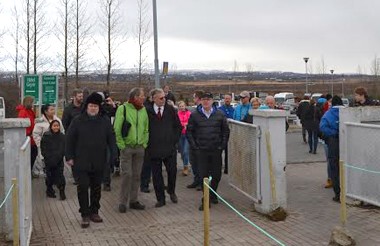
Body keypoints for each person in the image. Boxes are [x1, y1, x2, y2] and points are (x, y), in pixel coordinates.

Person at [65, 92, 116, 228]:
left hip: (99, 160)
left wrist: (114, 155)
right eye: (91, 106)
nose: (93, 108)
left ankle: (94, 211)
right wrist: (69, 157)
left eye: (96, 106)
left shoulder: (104, 121)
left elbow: (111, 139)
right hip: (81, 160)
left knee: (96, 188)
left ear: (99, 108)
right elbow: (69, 139)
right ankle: (85, 214)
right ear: (86, 107)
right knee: (82, 187)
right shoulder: (77, 120)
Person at [187, 92, 230, 211]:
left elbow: (225, 132)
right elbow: (189, 132)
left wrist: (222, 145)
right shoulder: (195, 115)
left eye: (208, 99)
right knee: (203, 175)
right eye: (203, 99)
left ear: (212, 101)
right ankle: (206, 199)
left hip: (215, 149)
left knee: (216, 175)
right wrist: (195, 146)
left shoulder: (220, 114)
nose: (206, 101)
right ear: (200, 101)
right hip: (201, 151)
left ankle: (213, 194)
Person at [114, 88, 149, 213]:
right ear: (135, 97)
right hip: (127, 147)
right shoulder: (122, 109)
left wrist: (144, 143)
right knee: (127, 174)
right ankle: (122, 202)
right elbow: (117, 128)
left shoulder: (143, 110)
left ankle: (133, 200)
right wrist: (121, 145)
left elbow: (146, 128)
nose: (144, 98)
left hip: (140, 147)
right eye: (142, 96)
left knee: (136, 175)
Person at [145, 88, 182, 208]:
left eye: (164, 97)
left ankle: (171, 191)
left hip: (169, 148)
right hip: (153, 149)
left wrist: (174, 141)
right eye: (161, 98)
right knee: (157, 175)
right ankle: (160, 198)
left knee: (172, 171)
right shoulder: (147, 111)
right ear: (153, 98)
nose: (163, 100)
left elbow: (178, 126)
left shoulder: (170, 110)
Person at [319, 96, 344, 203]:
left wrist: (333, 133)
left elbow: (322, 127)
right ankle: (349, 191)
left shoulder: (328, 114)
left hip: (333, 142)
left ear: (332, 104)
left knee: (334, 167)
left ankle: (338, 194)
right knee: (346, 166)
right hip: (346, 141)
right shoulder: (346, 112)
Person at [33, 104, 64, 177]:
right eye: (51, 110)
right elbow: (36, 135)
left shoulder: (57, 120)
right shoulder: (40, 122)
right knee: (47, 166)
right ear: (46, 111)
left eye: (54, 109)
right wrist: (40, 144)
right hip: (46, 149)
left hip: (57, 148)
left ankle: (57, 181)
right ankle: (49, 182)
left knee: (58, 166)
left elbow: (62, 131)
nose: (53, 111)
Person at [62, 89, 84, 184]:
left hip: (84, 137)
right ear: (74, 97)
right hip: (73, 138)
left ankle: (84, 176)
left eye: (82, 96)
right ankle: (77, 178)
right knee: (74, 159)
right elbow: (64, 124)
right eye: (79, 96)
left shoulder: (85, 108)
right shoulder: (68, 109)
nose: (81, 98)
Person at [40, 120, 66, 200]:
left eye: (57, 126)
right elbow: (43, 148)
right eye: (54, 126)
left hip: (59, 160)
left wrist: (61, 156)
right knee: (50, 177)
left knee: (60, 176)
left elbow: (64, 147)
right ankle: (49, 191)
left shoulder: (62, 136)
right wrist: (47, 156)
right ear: (51, 127)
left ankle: (62, 192)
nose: (56, 127)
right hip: (49, 160)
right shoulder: (46, 136)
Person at [187, 90, 204, 190]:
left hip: (201, 141)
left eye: (194, 97)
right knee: (193, 161)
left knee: (201, 163)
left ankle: (202, 183)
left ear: (198, 98)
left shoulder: (204, 111)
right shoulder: (195, 111)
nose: (193, 99)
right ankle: (196, 180)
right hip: (193, 140)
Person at [16, 96, 38, 174]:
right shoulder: (23, 112)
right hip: (27, 137)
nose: (34, 104)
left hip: (31, 137)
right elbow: (21, 124)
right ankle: (26, 172)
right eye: (33, 102)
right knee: (31, 154)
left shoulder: (30, 111)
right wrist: (28, 133)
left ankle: (28, 171)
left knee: (33, 153)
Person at [218, 93, 234, 174]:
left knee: (228, 152)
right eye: (226, 98)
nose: (227, 100)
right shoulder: (220, 109)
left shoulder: (233, 109)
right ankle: (218, 167)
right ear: (224, 99)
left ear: (231, 100)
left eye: (228, 98)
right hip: (221, 133)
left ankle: (227, 168)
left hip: (230, 133)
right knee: (219, 151)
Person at [177, 101, 191, 176]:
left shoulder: (189, 113)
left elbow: (191, 122)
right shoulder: (177, 114)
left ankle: (186, 167)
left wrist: (187, 124)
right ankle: (184, 165)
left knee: (186, 151)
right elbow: (176, 123)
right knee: (182, 152)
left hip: (187, 134)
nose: (182, 107)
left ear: (185, 106)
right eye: (180, 106)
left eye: (183, 106)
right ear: (178, 107)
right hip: (179, 135)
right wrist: (183, 124)